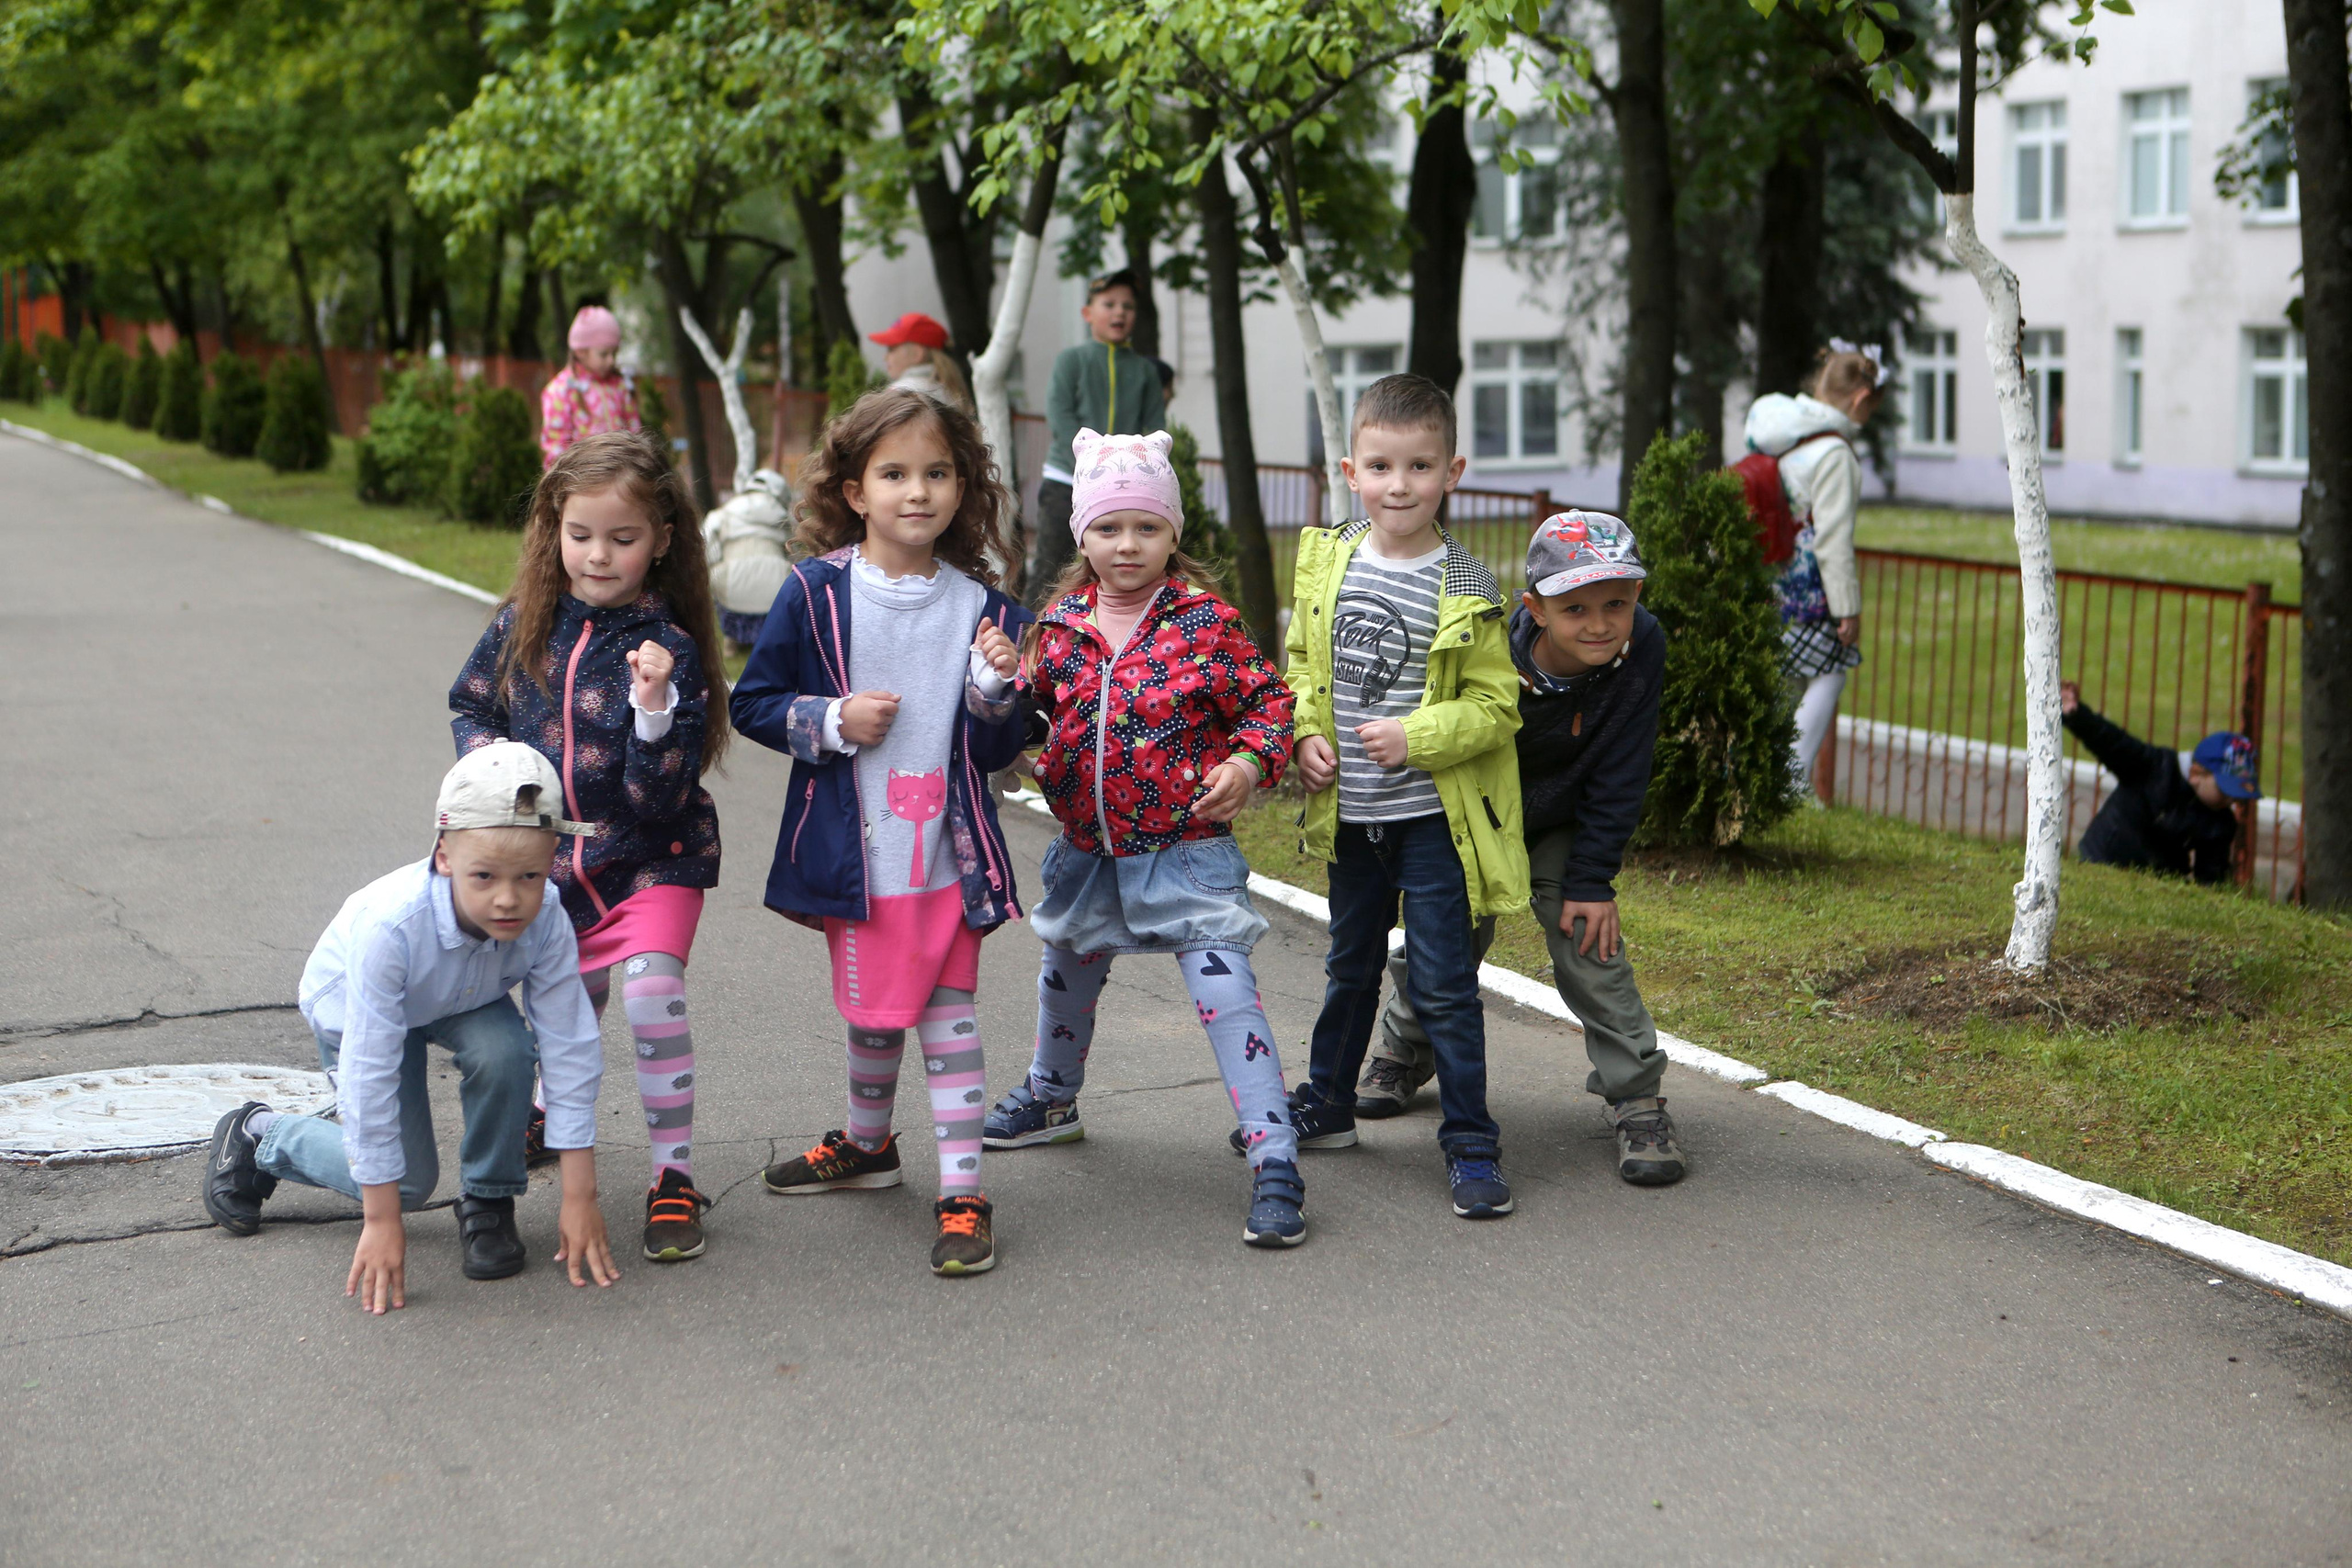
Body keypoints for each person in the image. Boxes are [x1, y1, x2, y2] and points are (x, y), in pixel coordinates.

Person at [974, 429, 1307, 1248]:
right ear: (1082, 534)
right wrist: (1005, 706)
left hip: (1187, 855)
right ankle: (1053, 1095)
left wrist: (1248, 762)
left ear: (1174, 534)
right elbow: (1033, 716)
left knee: (1228, 996)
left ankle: (1274, 1155)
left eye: (1147, 527)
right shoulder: (1055, 627)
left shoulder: (1206, 624)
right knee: (1065, 980)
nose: (1128, 545)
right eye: (1109, 527)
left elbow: (1270, 703)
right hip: (1087, 854)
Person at [730, 386, 1034, 1276]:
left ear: (962, 488)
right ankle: (868, 1147)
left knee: (947, 1019)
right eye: (894, 473)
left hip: (947, 858)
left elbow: (1001, 747)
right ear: (855, 492)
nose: (918, 492)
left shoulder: (987, 610)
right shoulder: (814, 593)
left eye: (937, 473)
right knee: (872, 1017)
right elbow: (754, 702)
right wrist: (830, 721)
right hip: (856, 860)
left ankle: (964, 1190)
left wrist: (993, 692)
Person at [198, 742, 618, 1312]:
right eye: (484, 875)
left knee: (506, 1051)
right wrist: (381, 1218)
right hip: (363, 1011)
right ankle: (259, 1134)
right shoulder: (390, 927)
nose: (508, 898)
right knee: (406, 1186)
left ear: (551, 864)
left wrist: (580, 1193)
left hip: (460, 996)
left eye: (530, 875)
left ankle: (489, 1202)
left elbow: (569, 1047)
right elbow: (368, 1071)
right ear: (443, 856)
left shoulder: (545, 915)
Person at [448, 430, 729, 1264]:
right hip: (554, 865)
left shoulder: (669, 649)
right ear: (553, 531)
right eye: (581, 535)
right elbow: (472, 704)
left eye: (623, 537)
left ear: (662, 540)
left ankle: (673, 1175)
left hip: (653, 857)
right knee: (564, 1014)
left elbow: (658, 794)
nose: (599, 555)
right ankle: (544, 1114)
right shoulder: (521, 624)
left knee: (647, 995)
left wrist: (652, 708)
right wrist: (495, 779)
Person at [1356, 512, 1686, 1186]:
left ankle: (1636, 1094)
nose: (1599, 623)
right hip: (1482, 809)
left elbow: (1625, 765)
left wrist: (1593, 879)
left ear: (1638, 599)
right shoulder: (1491, 647)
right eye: (1576, 608)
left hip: (1567, 818)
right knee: (1447, 931)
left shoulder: (1642, 647)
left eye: (1616, 603)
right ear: (1534, 608)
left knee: (1585, 935)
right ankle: (1404, 1044)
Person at [1279, 372, 1530, 1220]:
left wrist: (1416, 736)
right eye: (1381, 466)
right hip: (1353, 823)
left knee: (1443, 982)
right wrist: (1308, 735)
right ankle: (1328, 1102)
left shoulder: (1465, 584)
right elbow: (1305, 668)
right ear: (1352, 470)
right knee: (1348, 968)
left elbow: (1499, 706)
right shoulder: (1330, 561)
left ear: (1451, 471)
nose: (1399, 485)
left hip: (1431, 826)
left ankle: (1469, 1141)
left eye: (1419, 467)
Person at [1742, 341, 1887, 795]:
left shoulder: (1781, 432)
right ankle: (1790, 782)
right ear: (1861, 398)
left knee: (1784, 682)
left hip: (1765, 583)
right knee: (1831, 671)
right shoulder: (1835, 455)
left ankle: (1756, 780)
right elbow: (1833, 540)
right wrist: (1848, 608)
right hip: (1808, 593)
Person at [1030, 270, 1167, 601]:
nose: (1119, 312)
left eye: (1128, 306)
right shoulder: (1071, 361)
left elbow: (1153, 427)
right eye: (1109, 304)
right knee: (1051, 569)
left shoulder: (1145, 371)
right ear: (1088, 313)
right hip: (1067, 480)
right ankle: (1028, 645)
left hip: (1123, 493)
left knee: (1106, 573)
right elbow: (1061, 415)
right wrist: (1090, 461)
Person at [2062, 681, 2256, 884]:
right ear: (2196, 774)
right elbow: (2111, 742)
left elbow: (2211, 877)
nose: (2230, 800)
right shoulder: (2155, 767)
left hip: (2158, 879)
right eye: (2225, 790)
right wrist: (2076, 714)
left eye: (2236, 794)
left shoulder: (2220, 823)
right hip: (2104, 858)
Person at [538, 305, 642, 468]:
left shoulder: (619, 386)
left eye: (614, 353)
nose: (611, 361)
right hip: (583, 484)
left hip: (622, 480)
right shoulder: (560, 390)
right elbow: (556, 447)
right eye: (604, 354)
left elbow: (635, 434)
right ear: (580, 352)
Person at [705, 468, 796, 654]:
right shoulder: (785, 518)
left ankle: (732, 639)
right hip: (776, 592)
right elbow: (795, 553)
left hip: (730, 588)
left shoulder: (722, 514)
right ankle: (770, 637)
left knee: (716, 576)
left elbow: (708, 552)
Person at [872, 311, 976, 417]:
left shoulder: (900, 393)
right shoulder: (948, 391)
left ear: (917, 354)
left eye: (891, 349)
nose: (885, 357)